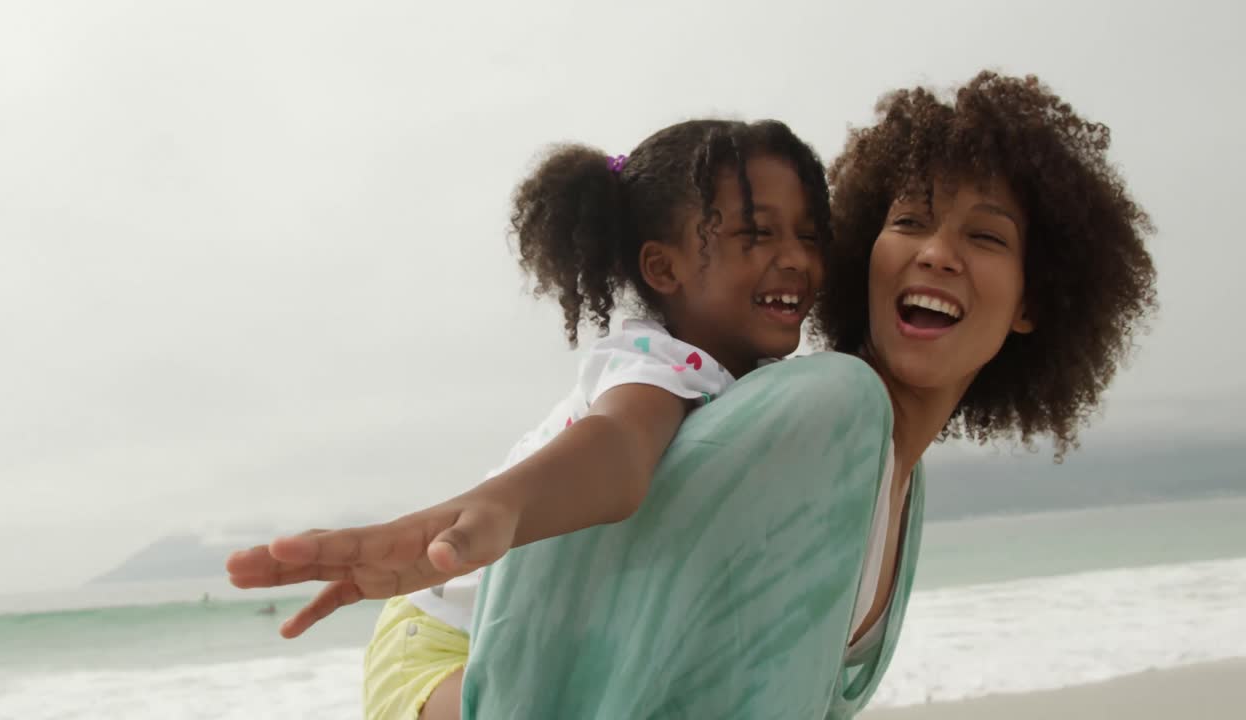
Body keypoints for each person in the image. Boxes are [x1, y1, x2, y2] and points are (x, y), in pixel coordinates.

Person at [229, 71, 1157, 718]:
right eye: (907, 220)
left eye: (985, 238)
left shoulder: (891, 496)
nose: (937, 251)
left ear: (1038, 299)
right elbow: (617, 451)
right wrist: (475, 516)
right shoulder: (760, 396)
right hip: (450, 656)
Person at [227, 118, 830, 720]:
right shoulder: (664, 367)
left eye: (808, 235)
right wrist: (499, 508)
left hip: (544, 646)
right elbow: (618, 445)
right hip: (445, 642)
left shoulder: (762, 392)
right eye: (757, 235)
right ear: (663, 268)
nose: (795, 258)